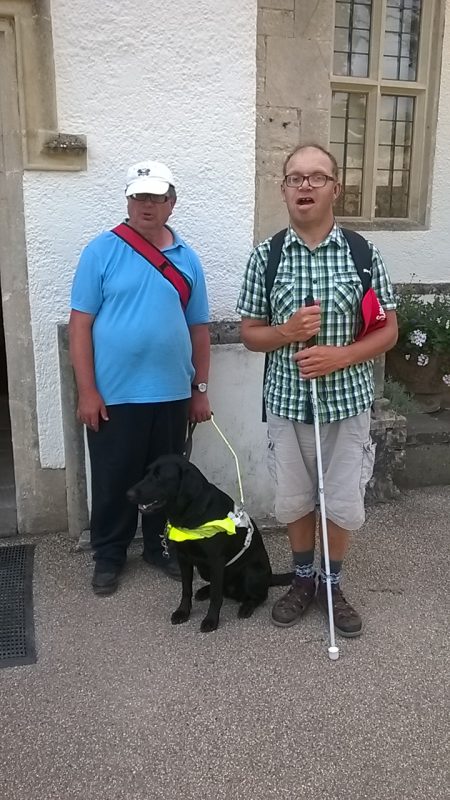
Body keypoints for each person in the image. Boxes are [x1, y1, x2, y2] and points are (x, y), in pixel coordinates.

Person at [236, 144, 398, 637]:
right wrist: (285, 333)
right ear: (284, 188)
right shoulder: (265, 257)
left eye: (316, 178)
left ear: (335, 188)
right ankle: (303, 579)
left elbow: (387, 330)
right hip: (288, 405)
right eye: (295, 178)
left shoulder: (362, 254)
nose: (305, 186)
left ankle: (332, 582)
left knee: (343, 501)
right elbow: (250, 333)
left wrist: (341, 355)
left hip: (347, 405)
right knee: (297, 500)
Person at [69, 160, 211, 596]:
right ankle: (109, 555)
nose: (146, 205)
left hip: (171, 394)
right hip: (115, 395)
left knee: (166, 481)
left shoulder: (187, 258)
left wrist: (199, 390)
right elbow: (80, 325)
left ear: (171, 203)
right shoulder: (101, 251)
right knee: (114, 478)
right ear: (128, 200)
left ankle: (158, 546)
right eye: (139, 196)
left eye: (156, 197)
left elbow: (199, 330)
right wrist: (88, 391)